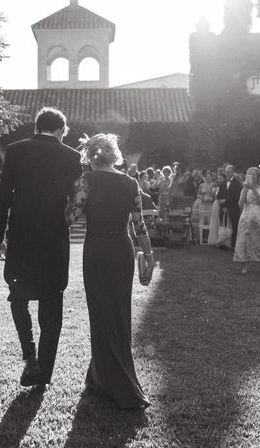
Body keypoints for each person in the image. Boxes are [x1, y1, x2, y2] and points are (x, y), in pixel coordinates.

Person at [0, 107, 82, 388]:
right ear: (60, 130)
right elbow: (76, 203)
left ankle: (30, 356)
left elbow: (3, 197)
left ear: (37, 126)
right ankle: (44, 373)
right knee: (52, 299)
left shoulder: (16, 150)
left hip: (22, 235)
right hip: (54, 239)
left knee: (18, 295)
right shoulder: (72, 156)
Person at [66, 133, 153, 409]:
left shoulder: (86, 181)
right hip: (122, 251)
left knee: (100, 313)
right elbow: (139, 225)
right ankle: (100, 377)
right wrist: (148, 255)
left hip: (97, 252)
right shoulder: (130, 182)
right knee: (118, 312)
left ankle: (113, 381)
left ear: (90, 156)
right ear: (113, 154)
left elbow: (70, 218)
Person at [233, 167, 260, 273]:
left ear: (259, 177)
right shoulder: (243, 189)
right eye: (250, 174)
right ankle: (244, 265)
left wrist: (253, 189)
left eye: (254, 174)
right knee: (244, 240)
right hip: (246, 217)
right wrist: (245, 190)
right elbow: (240, 204)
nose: (252, 176)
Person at [217, 164, 242, 249]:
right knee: (223, 225)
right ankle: (223, 243)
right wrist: (222, 205)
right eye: (226, 172)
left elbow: (236, 197)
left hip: (233, 208)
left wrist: (225, 202)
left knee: (234, 226)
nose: (227, 173)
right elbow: (219, 195)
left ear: (233, 172)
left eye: (229, 172)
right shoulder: (223, 183)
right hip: (223, 209)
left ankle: (233, 244)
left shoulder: (237, 183)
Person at [207, 173, 225, 246]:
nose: (219, 180)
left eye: (221, 178)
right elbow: (212, 196)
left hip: (222, 204)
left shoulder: (225, 187)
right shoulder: (215, 187)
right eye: (218, 178)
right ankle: (214, 239)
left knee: (220, 221)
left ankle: (220, 239)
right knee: (215, 221)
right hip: (215, 204)